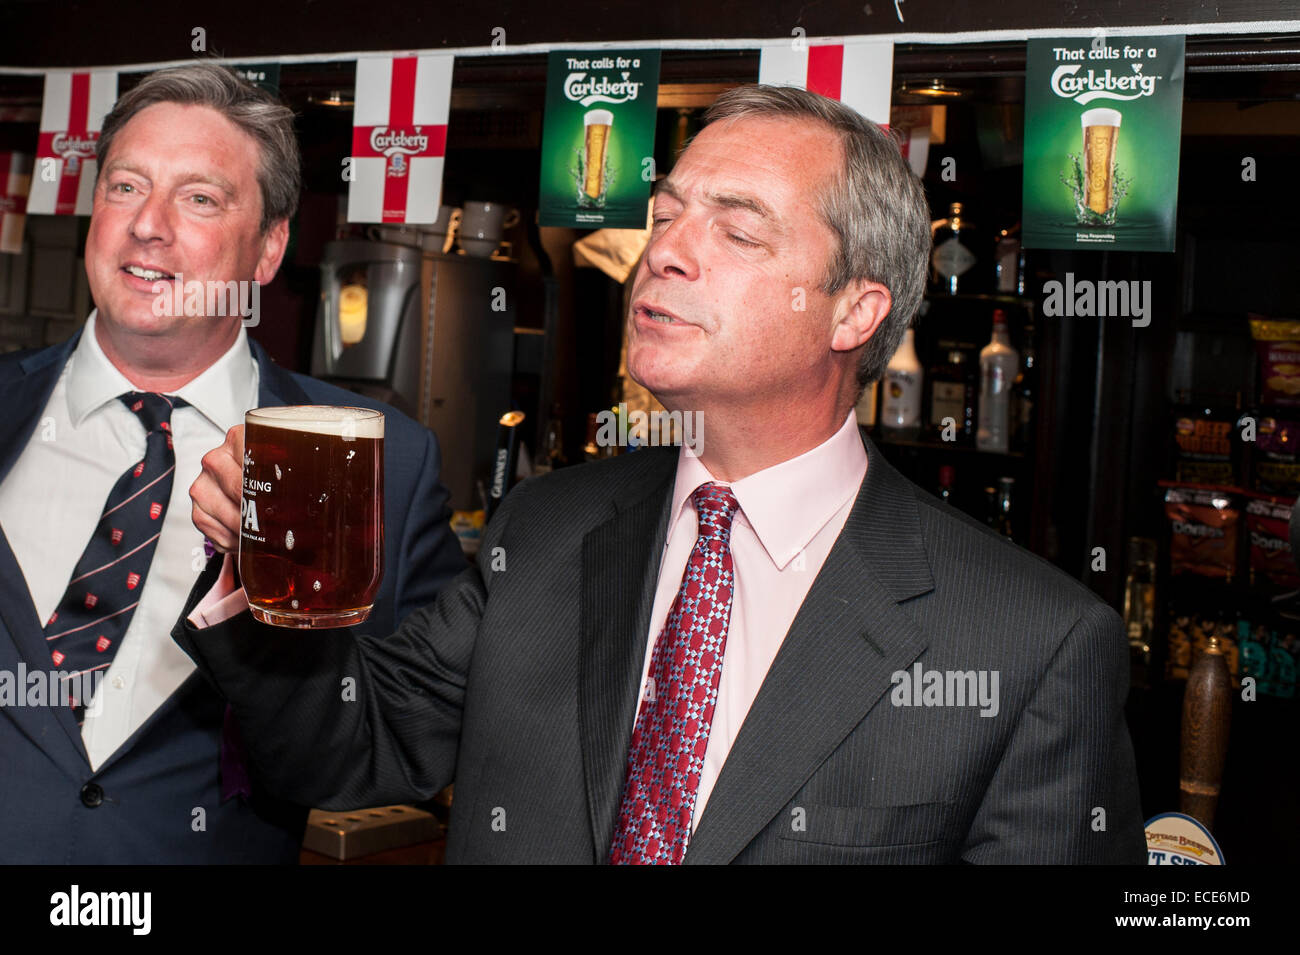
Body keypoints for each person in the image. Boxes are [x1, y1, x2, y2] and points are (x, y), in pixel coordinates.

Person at [181, 85, 1145, 864]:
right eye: (666, 215)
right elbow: (349, 746)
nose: (665, 253)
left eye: (738, 230)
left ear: (854, 311)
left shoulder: (1034, 645)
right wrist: (260, 568)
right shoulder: (545, 528)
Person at [0, 63, 466, 864]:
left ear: (270, 248)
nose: (148, 224)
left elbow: (410, 736)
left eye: (200, 198)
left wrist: (282, 605)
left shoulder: (380, 461)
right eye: (125, 186)